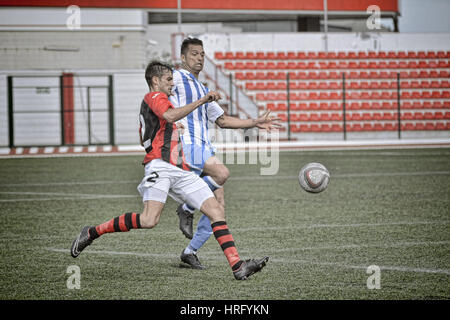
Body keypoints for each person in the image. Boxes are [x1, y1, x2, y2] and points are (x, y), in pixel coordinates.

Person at [70, 61, 269, 280]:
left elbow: (165, 124)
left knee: (216, 211)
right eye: (168, 79)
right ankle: (91, 232)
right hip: (160, 167)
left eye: (173, 79)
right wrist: (202, 100)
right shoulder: (154, 97)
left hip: (179, 170)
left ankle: (237, 266)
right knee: (148, 220)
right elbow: (170, 116)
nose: (172, 83)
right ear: (155, 81)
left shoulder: (162, 103)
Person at [170, 38, 280, 269]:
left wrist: (254, 122)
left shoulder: (202, 89)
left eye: (202, 54)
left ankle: (190, 252)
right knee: (221, 173)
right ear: (182, 57)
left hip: (204, 146)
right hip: (186, 145)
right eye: (194, 54)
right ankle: (187, 208)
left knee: (218, 206)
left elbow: (221, 120)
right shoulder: (176, 77)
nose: (199, 58)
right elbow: (159, 91)